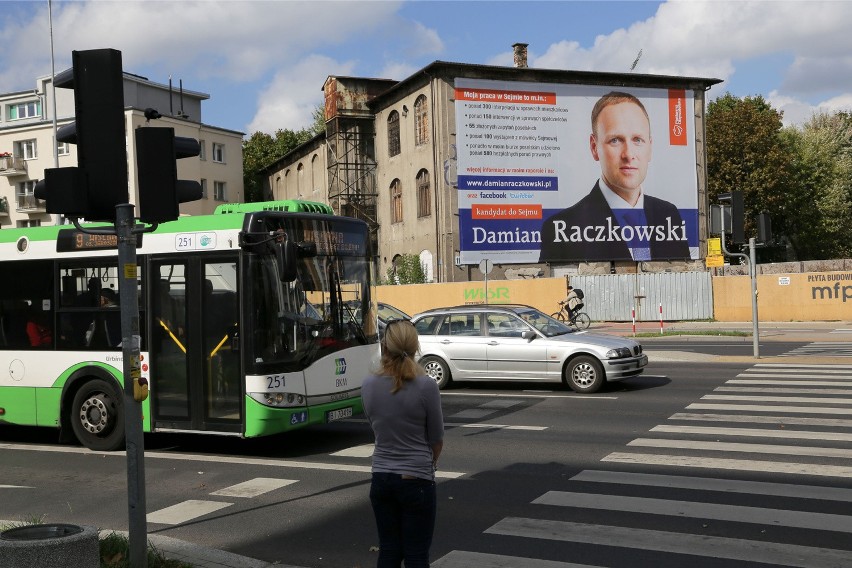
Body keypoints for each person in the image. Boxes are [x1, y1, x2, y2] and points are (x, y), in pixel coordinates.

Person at [539, 91, 690, 263]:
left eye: (638, 140)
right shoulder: (561, 228)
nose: (628, 154)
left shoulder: (669, 215)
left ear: (650, 147)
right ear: (594, 147)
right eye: (615, 140)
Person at [361, 319, 444, 567]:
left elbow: (375, 427)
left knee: (389, 551)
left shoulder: (368, 385)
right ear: (416, 346)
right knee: (416, 554)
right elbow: (436, 439)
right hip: (416, 479)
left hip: (382, 478)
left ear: (384, 346)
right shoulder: (426, 386)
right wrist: (429, 465)